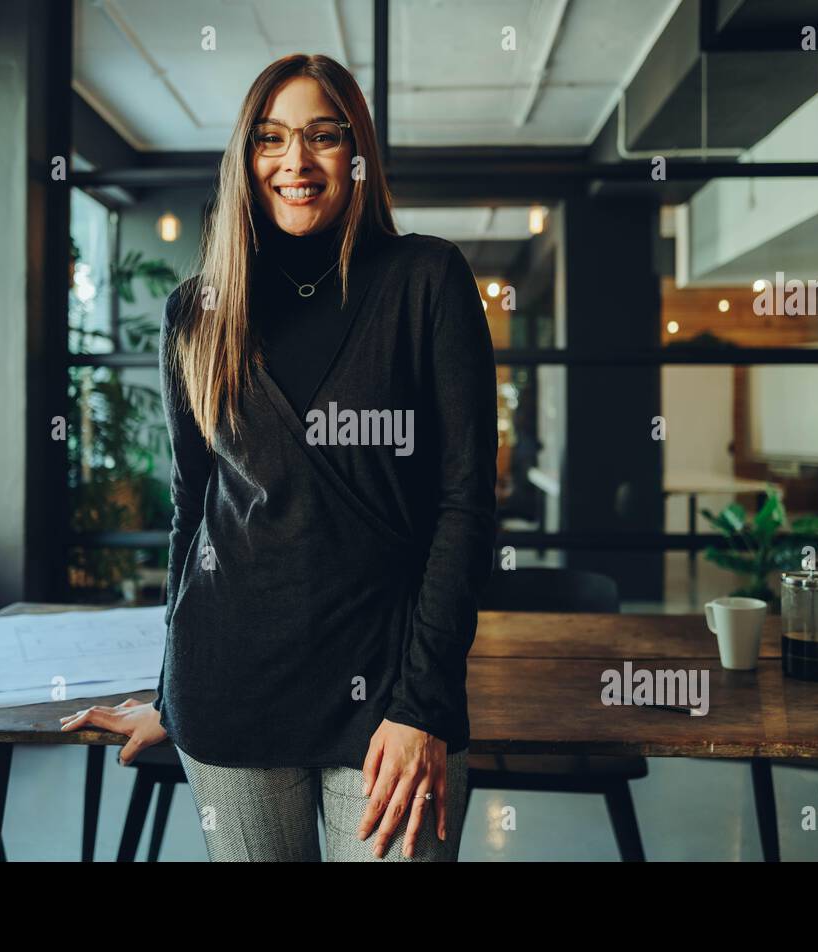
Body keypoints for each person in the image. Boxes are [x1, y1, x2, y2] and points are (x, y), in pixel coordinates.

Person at [62, 52, 498, 862]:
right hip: (229, 694)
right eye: (270, 138)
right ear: (245, 158)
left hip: (389, 697)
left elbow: (465, 505)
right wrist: (170, 689)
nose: (295, 161)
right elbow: (192, 511)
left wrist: (422, 706)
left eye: (322, 136)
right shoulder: (196, 311)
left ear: (356, 154)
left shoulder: (426, 281)